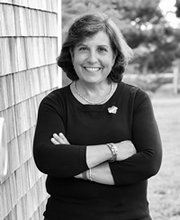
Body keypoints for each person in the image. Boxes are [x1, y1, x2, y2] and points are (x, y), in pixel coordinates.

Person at [33, 12, 162, 220]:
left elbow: (148, 162)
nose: (92, 59)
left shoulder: (135, 100)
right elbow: (48, 158)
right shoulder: (55, 103)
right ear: (72, 54)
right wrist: (114, 150)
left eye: (101, 49)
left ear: (114, 56)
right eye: (83, 49)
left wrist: (77, 167)